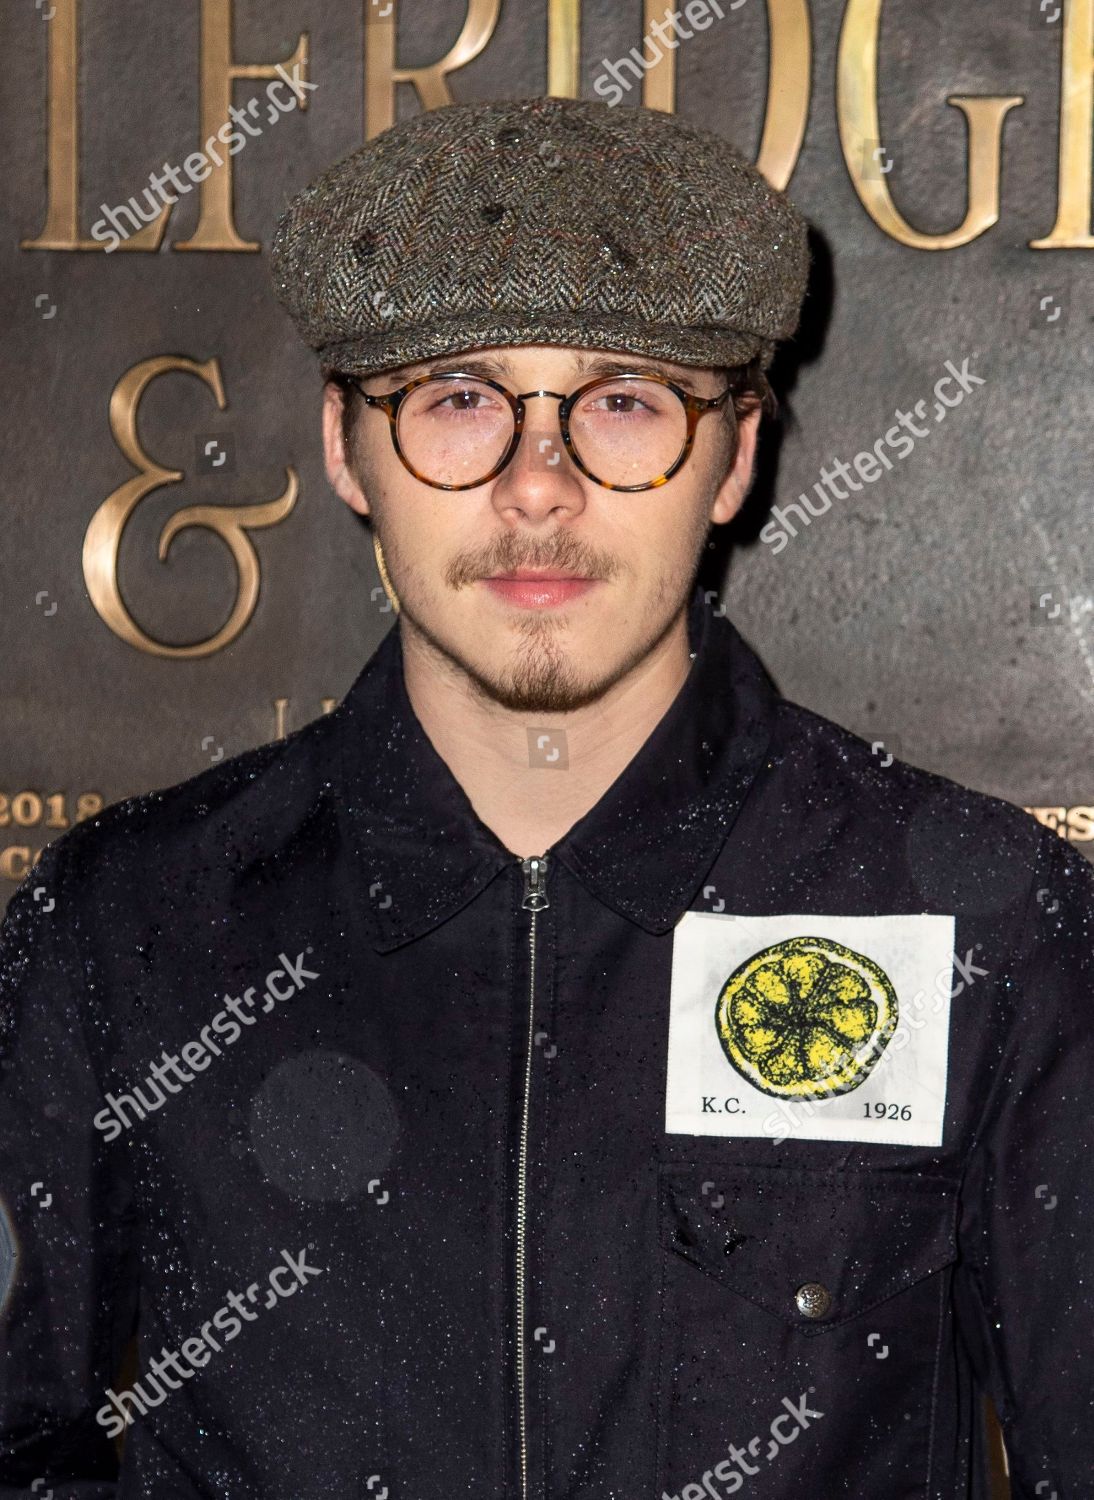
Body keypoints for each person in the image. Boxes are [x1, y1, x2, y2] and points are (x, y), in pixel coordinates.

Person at [1, 94, 1091, 1500]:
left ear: (733, 456)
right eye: (459, 400)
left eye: (624, 402)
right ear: (344, 445)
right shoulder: (127, 927)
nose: (538, 487)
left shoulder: (986, 930)